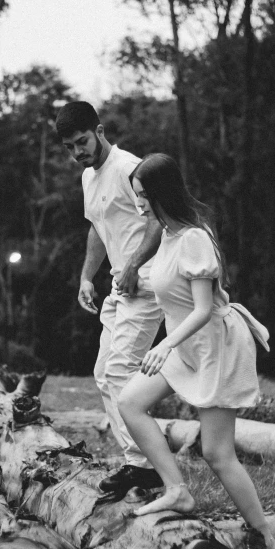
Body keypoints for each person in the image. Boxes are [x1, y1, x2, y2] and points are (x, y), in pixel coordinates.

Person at [117, 153, 275, 549]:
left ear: (161, 195)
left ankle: (267, 537)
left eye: (142, 197)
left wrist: (163, 345)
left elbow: (203, 308)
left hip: (216, 347)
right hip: (185, 344)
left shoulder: (193, 237)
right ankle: (177, 490)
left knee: (216, 453)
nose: (139, 205)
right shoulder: (169, 237)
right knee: (130, 403)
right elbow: (172, 294)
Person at [55, 101, 164, 494]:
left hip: (147, 283)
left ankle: (146, 465)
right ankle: (138, 461)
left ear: (99, 131)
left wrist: (134, 265)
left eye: (81, 141)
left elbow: (158, 219)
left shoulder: (129, 168)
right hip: (120, 286)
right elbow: (98, 228)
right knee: (104, 373)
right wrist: (87, 277)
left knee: (121, 370)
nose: (77, 152)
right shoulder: (89, 177)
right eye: (69, 147)